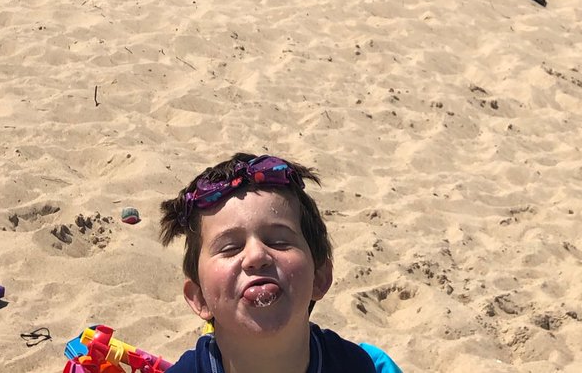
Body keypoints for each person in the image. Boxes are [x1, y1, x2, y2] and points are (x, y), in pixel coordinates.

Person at [159, 153, 402, 373]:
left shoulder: (355, 366)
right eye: (230, 248)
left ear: (319, 276)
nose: (256, 256)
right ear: (199, 297)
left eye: (278, 241)